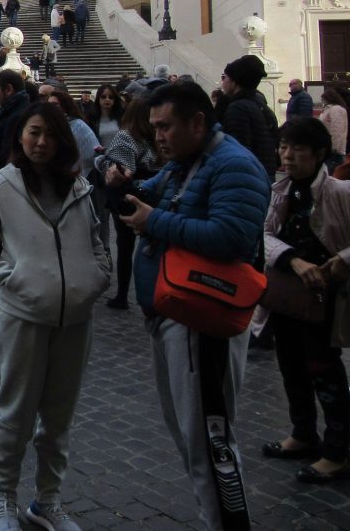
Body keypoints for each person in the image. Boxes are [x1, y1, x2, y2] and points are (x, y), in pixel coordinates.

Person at [111, 82, 270, 530]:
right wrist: (124, 185)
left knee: (208, 440)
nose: (157, 137)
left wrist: (153, 220)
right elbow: (153, 193)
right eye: (153, 127)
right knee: (190, 434)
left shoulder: (234, 165)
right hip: (173, 313)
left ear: (197, 122)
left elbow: (231, 237)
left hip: (202, 319)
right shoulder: (187, 161)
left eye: (165, 127)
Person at [0, 102, 110, 531]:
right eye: (34, 132)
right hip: (24, 315)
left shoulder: (78, 185)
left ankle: (47, 501)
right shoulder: (1, 186)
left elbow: (96, 239)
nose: (41, 142)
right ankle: (4, 500)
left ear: (63, 140)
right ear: (20, 136)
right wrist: (13, 279)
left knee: (59, 418)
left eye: (49, 134)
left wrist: (98, 274)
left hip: (76, 318)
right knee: (15, 414)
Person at [261, 117, 350, 483]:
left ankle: (338, 451)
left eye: (297, 149)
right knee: (291, 365)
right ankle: (303, 433)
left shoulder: (339, 192)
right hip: (287, 295)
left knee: (324, 369)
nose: (287, 155)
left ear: (319, 154)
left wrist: (342, 260)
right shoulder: (279, 190)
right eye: (284, 147)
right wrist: (292, 259)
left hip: (326, 299)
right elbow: (264, 234)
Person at [95, 96, 159, 310]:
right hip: (152, 196)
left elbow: (123, 170)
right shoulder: (156, 137)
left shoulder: (126, 136)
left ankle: (123, 294)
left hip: (127, 196)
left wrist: (103, 161)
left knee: (125, 246)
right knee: (149, 246)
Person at [218, 54, 279, 176]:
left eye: (225, 77)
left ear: (235, 82)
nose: (222, 82)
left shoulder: (238, 108)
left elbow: (238, 151)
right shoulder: (260, 104)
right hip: (263, 174)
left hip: (247, 176)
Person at [318, 88, 348, 161]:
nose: (322, 101)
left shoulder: (336, 109)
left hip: (334, 151)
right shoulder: (328, 109)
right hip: (327, 147)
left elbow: (337, 130)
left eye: (323, 99)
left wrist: (333, 148)